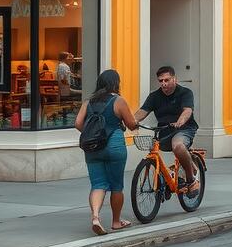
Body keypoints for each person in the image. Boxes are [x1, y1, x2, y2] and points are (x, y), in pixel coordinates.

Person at [74, 69, 138, 234]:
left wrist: (93, 134)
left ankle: (95, 217)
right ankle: (116, 222)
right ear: (115, 84)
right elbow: (131, 124)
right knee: (116, 186)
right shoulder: (118, 101)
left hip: (93, 148)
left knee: (98, 184)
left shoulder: (88, 102)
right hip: (114, 146)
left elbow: (78, 123)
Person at [133, 65, 199, 192]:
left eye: (167, 80)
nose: (163, 83)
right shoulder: (154, 96)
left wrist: (180, 122)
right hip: (164, 130)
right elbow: (142, 111)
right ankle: (169, 177)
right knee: (154, 150)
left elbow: (187, 110)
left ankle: (191, 180)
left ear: (174, 79)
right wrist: (132, 120)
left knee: (178, 146)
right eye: (161, 81)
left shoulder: (185, 93)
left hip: (184, 129)